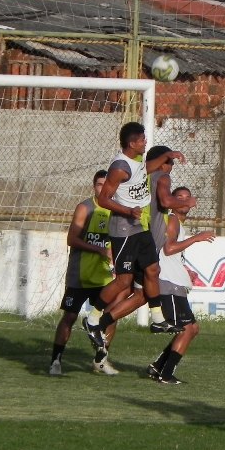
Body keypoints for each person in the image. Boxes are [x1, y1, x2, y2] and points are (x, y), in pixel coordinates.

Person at [82, 123, 186, 350]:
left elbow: (146, 168)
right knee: (123, 281)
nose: (145, 142)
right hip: (124, 230)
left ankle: (158, 320)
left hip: (140, 227)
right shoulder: (119, 167)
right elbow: (104, 200)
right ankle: (93, 318)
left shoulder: (137, 163)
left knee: (153, 269)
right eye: (142, 140)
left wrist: (167, 155)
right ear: (132, 143)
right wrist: (128, 211)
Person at [49, 170, 123, 376]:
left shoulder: (117, 211)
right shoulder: (85, 207)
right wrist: (99, 249)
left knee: (110, 317)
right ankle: (56, 360)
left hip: (104, 276)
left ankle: (101, 360)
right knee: (70, 317)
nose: (104, 188)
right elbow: (72, 239)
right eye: (100, 184)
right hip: (80, 275)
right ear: (94, 186)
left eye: (108, 184)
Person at [146, 186, 214, 384]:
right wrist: (197, 238)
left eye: (187, 197)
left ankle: (157, 367)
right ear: (173, 201)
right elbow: (169, 249)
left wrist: (185, 269)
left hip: (175, 283)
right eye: (179, 197)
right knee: (187, 329)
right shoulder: (172, 219)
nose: (184, 200)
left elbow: (172, 254)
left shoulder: (178, 223)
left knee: (192, 328)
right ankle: (165, 374)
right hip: (169, 283)